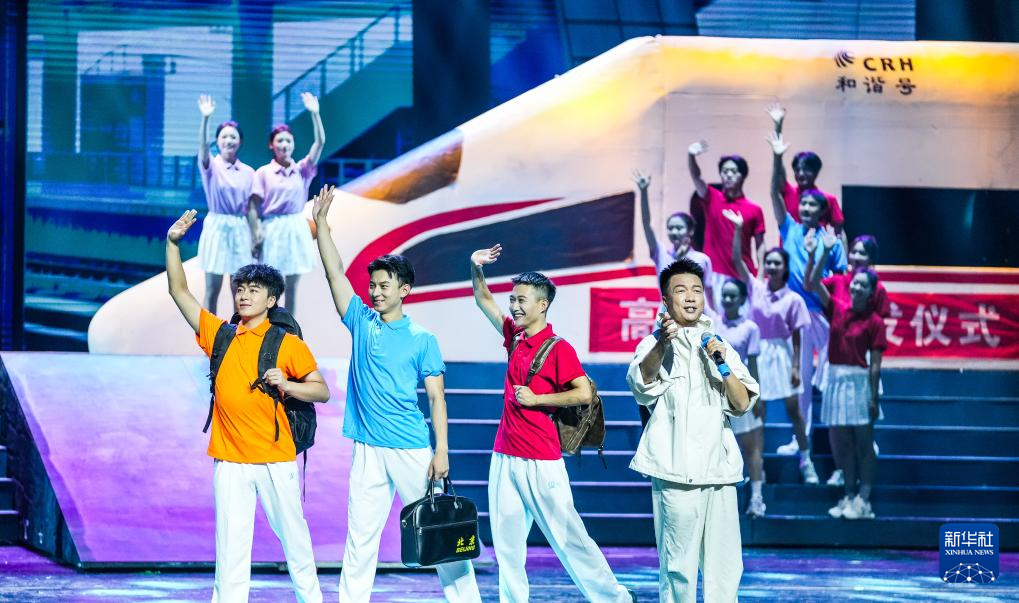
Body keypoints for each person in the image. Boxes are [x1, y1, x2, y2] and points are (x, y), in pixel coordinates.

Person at [311, 186, 481, 603]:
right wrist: (322, 225)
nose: (376, 291)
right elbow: (335, 274)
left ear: (404, 290)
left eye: (384, 285)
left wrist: (441, 452)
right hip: (368, 449)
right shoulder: (360, 321)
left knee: (442, 535)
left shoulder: (423, 339)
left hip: (411, 449)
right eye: (372, 285)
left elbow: (437, 400)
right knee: (360, 539)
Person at [165, 209, 328, 603]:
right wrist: (172, 244)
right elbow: (179, 292)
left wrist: (287, 384)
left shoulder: (287, 343)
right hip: (230, 462)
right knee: (230, 551)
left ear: (271, 299)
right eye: (240, 288)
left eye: (254, 290)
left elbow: (321, 391)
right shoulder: (219, 335)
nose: (243, 294)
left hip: (275, 459)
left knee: (296, 543)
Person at [470, 243, 635, 603]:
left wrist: (537, 399)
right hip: (504, 457)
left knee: (570, 539)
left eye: (521, 300)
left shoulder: (559, 348)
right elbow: (484, 300)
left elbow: (584, 393)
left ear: (542, 304)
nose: (514, 306)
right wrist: (476, 266)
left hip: (542, 461)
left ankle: (616, 598)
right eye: (513, 299)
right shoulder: (515, 336)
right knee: (507, 547)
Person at [627, 257, 760, 602]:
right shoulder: (654, 343)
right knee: (678, 568)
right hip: (675, 471)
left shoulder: (718, 344)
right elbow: (641, 383)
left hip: (719, 472)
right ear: (665, 300)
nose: (690, 297)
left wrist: (721, 363)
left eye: (697, 290)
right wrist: (663, 343)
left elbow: (742, 403)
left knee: (725, 569)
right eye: (681, 290)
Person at [767, 131, 848, 458]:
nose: (806, 207)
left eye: (813, 204)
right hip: (795, 316)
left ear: (822, 209)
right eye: (803, 203)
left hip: (823, 314)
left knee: (831, 377)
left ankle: (843, 438)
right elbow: (774, 193)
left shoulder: (832, 240)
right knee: (799, 381)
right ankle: (800, 443)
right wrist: (777, 156)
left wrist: (823, 275)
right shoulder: (788, 227)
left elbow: (842, 277)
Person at [724, 209, 816, 484]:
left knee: (794, 411)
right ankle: (757, 468)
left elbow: (797, 337)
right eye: (769, 262)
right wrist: (738, 230)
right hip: (756, 355)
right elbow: (737, 260)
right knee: (757, 412)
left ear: (785, 267)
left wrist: (796, 366)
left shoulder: (794, 299)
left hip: (782, 355)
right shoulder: (755, 287)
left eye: (777, 263)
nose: (772, 266)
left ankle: (806, 461)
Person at [805, 228, 886, 520]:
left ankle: (864, 498)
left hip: (859, 382)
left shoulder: (875, 322)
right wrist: (824, 251)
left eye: (862, 286)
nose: (856, 288)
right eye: (854, 285)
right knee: (843, 443)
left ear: (871, 291)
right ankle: (849, 495)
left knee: (863, 444)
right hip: (836, 381)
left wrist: (873, 397)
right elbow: (813, 283)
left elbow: (875, 364)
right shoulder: (837, 307)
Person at [249, 92, 326, 316]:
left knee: (292, 288)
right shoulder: (263, 173)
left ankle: (288, 331)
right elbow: (252, 207)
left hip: (295, 228)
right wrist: (256, 232)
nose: (284, 145)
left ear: (293, 144)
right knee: (270, 287)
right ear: (271, 145)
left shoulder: (302, 170)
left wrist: (315, 114)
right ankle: (266, 329)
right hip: (272, 228)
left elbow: (320, 143)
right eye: (280, 141)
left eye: (288, 141)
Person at [822, 234, 889, 486]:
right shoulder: (839, 284)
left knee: (862, 430)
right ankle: (842, 471)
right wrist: (822, 253)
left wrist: (873, 391)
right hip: (838, 362)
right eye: (854, 251)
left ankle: (863, 486)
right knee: (837, 424)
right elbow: (813, 286)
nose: (857, 256)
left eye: (863, 253)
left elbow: (876, 331)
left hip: (861, 362)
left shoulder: (876, 290)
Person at [709, 276, 766, 515]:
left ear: (742, 299)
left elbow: (753, 365)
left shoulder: (750, 328)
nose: (727, 299)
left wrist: (757, 397)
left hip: (741, 392)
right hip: (716, 394)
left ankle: (757, 498)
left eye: (733, 296)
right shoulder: (712, 324)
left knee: (752, 448)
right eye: (724, 295)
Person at [686, 140, 766, 309]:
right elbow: (696, 177)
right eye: (724, 171)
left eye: (733, 171)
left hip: (743, 275)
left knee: (742, 322)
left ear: (742, 176)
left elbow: (760, 245)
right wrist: (691, 156)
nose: (728, 175)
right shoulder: (711, 197)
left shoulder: (755, 209)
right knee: (712, 322)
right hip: (714, 275)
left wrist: (760, 274)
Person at [196, 94, 255, 314]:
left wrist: (255, 235)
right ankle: (209, 333)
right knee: (212, 289)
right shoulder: (211, 166)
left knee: (239, 289)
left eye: (233, 136)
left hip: (240, 228)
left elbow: (252, 208)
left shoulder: (248, 172)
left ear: (240, 141)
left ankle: (238, 331)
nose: (228, 140)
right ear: (217, 141)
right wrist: (205, 118)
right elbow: (202, 147)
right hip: (217, 227)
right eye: (224, 136)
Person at [765, 103, 848, 249]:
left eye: (806, 170)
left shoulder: (828, 199)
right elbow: (778, 169)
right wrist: (778, 126)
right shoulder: (788, 192)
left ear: (816, 172)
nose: (801, 174)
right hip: (790, 255)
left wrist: (843, 259)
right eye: (797, 170)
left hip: (818, 255)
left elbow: (839, 233)